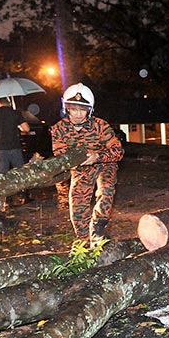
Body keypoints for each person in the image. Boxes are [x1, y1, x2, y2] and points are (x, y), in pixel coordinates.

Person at [50, 83, 124, 245]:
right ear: (66, 108)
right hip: (80, 169)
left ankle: (98, 226)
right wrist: (76, 162)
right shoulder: (58, 129)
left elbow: (118, 151)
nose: (77, 114)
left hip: (104, 164)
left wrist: (97, 156)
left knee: (106, 189)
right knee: (77, 206)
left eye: (82, 109)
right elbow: (60, 155)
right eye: (73, 109)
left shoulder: (100, 126)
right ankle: (85, 241)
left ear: (89, 110)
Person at [0, 97, 29, 174]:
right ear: (9, 103)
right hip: (15, 147)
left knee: (2, 176)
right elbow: (26, 129)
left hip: (0, 149)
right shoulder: (15, 113)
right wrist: (19, 126)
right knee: (20, 173)